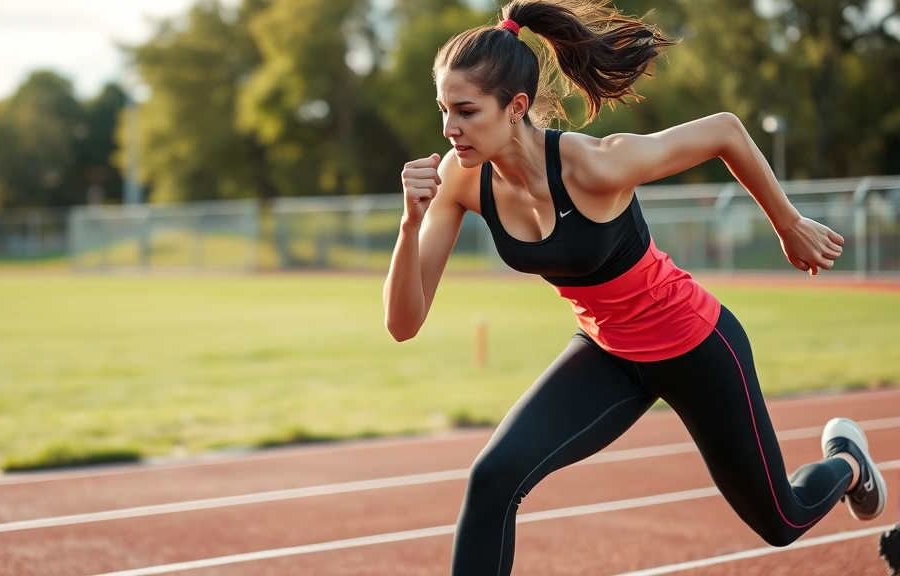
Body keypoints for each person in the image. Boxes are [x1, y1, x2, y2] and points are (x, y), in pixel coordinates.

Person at [380, 0, 888, 574]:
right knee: (493, 477)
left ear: (515, 106)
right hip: (607, 353)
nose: (449, 129)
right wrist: (410, 224)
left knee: (782, 523)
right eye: (444, 110)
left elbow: (724, 130)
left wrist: (788, 224)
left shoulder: (596, 165)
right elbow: (403, 324)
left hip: (694, 345)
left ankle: (847, 462)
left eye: (466, 111)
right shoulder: (459, 179)